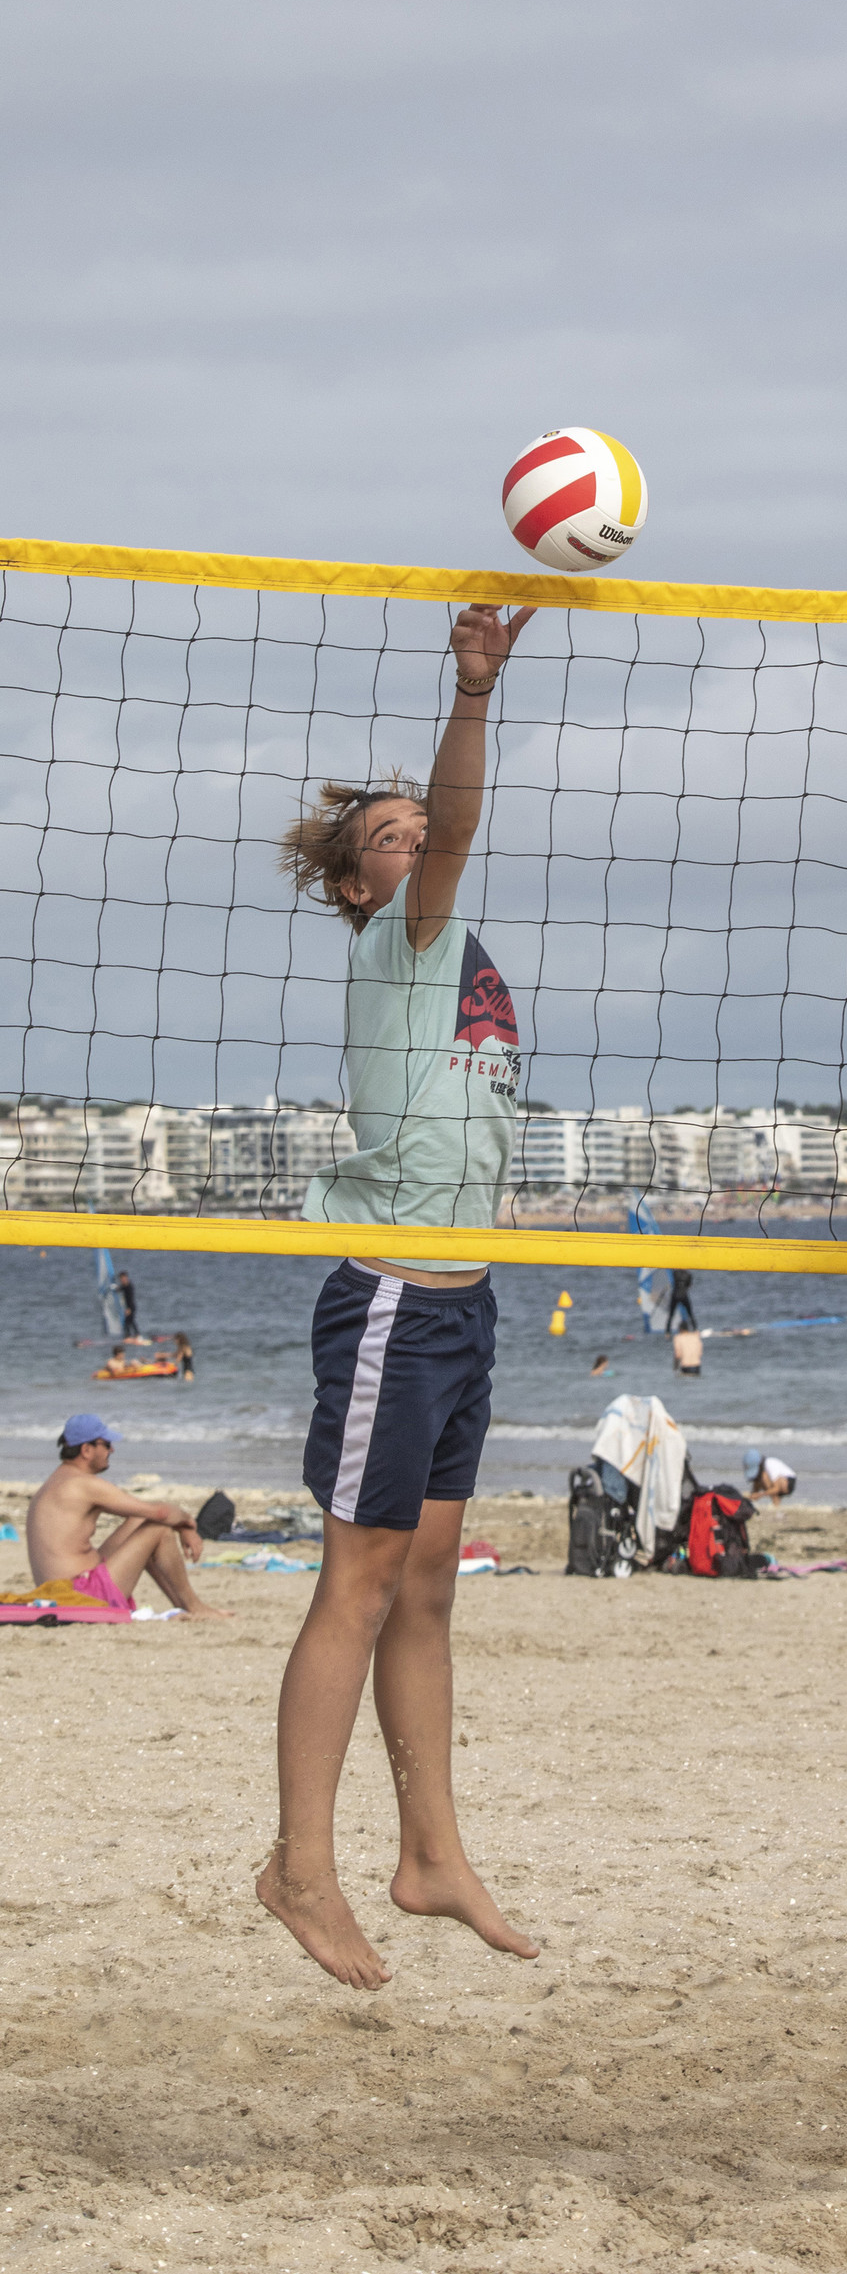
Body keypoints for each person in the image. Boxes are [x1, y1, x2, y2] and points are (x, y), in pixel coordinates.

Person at [257, 600, 541, 1993]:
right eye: (391, 836)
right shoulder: (401, 943)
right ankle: (299, 1864)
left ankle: (428, 1852)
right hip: (390, 1301)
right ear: (363, 885)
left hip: (465, 1298)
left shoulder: (456, 952)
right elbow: (463, 822)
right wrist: (474, 692)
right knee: (359, 1586)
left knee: (427, 1584)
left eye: (420, 827)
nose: (418, 840)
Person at [25, 1414, 229, 1620]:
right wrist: (189, 1524)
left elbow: (144, 1512)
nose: (111, 1450)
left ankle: (187, 1607)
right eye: (106, 1444)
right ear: (86, 1450)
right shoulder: (84, 1484)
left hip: (57, 1592)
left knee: (140, 1521)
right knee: (158, 1529)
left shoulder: (54, 1482)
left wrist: (182, 1527)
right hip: (80, 1595)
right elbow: (161, 1513)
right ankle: (196, 1607)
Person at [666, 1269, 697, 1334]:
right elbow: (689, 1285)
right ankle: (695, 1329)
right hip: (683, 1295)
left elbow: (673, 1277)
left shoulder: (675, 1273)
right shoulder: (688, 1275)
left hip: (675, 1295)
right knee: (690, 1313)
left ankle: (668, 1332)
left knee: (671, 1315)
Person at [116, 1268, 138, 1339]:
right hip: (128, 1307)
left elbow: (131, 1298)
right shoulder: (124, 1286)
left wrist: (129, 1309)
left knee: (129, 1322)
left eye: (122, 1278)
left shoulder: (129, 1287)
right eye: (120, 1279)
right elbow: (119, 1289)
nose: (121, 1280)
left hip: (131, 1307)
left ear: (126, 1278)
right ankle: (130, 1335)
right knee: (129, 1322)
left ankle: (135, 1335)